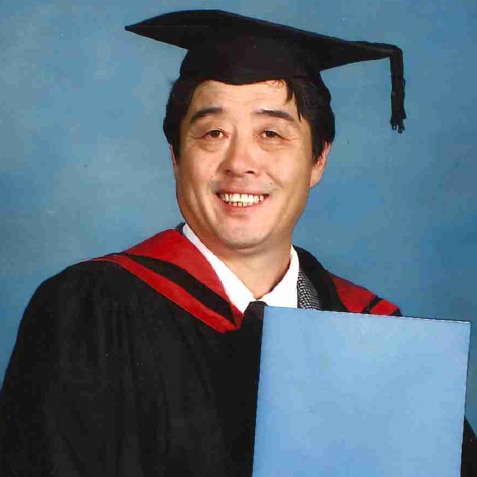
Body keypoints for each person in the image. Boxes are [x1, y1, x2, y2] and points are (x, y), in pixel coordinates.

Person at [0, 10, 475, 477]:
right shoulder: (91, 312)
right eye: (213, 133)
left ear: (318, 160)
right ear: (176, 156)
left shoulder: (379, 338)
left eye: (271, 133)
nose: (240, 162)